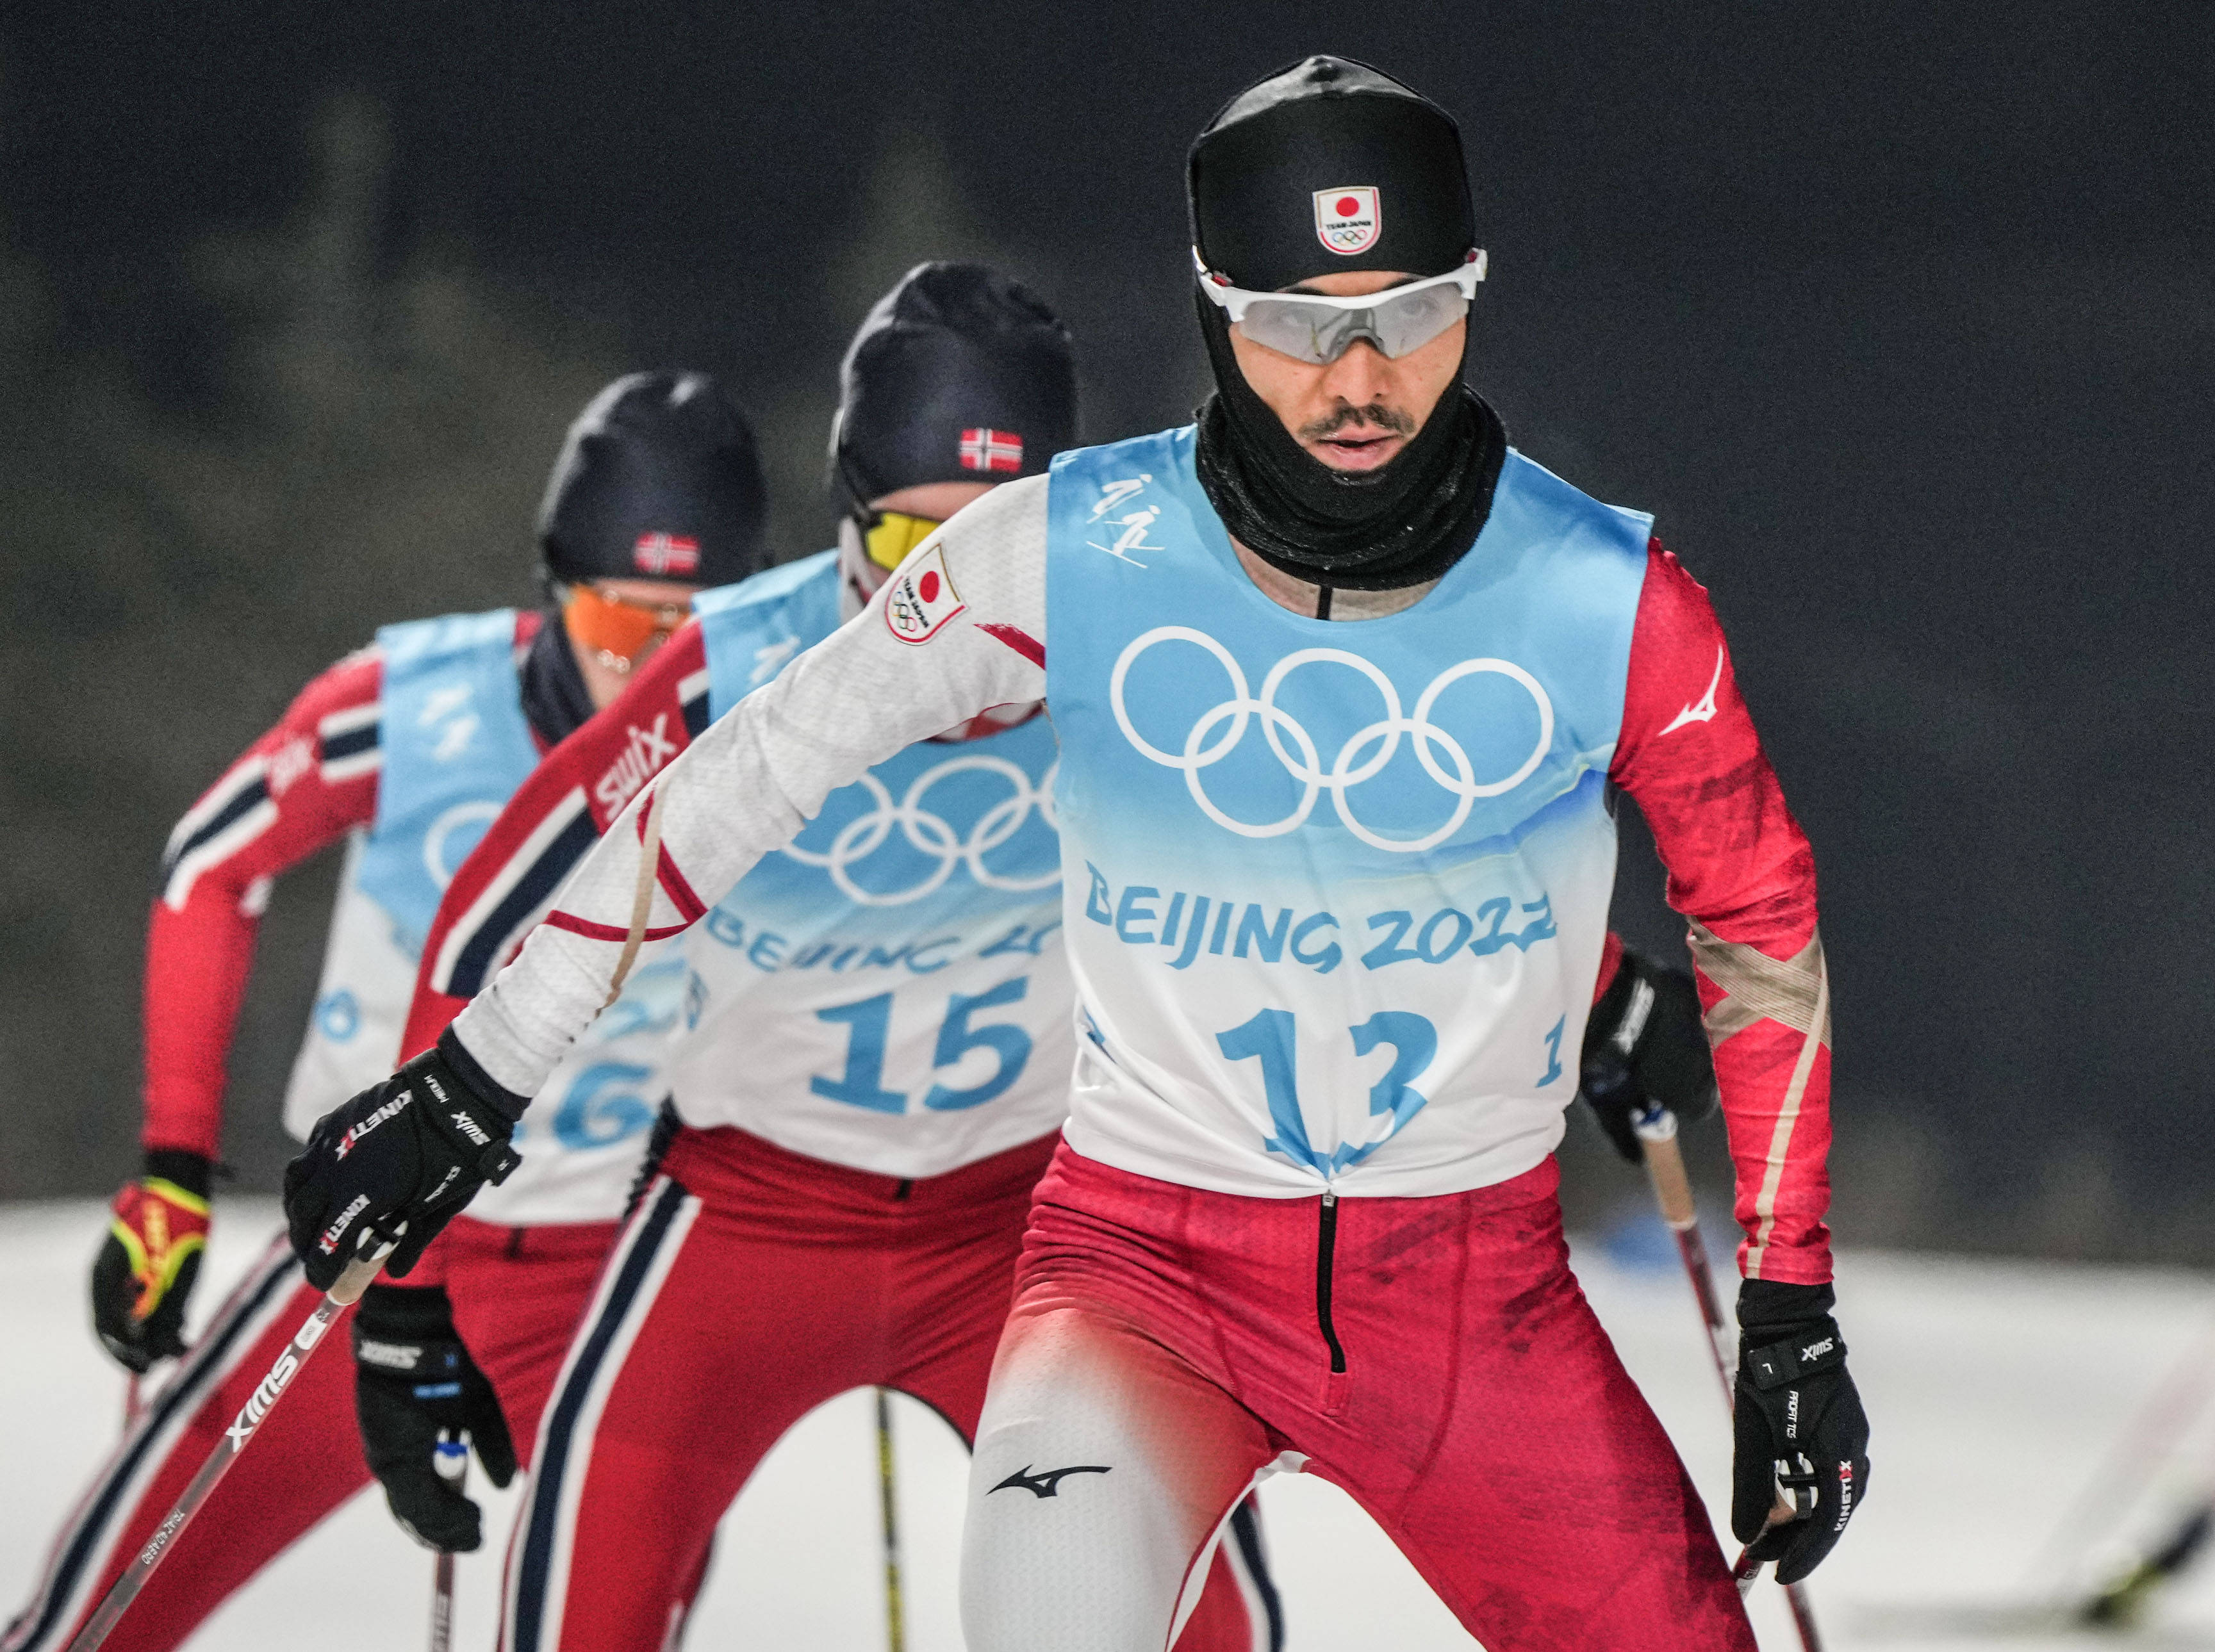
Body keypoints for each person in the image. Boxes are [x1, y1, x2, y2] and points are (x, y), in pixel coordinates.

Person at [284, 56, 1870, 1651]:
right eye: (1298, 324)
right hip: (1141, 1278)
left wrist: (1791, 1305)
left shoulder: (1614, 596)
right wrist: (476, 1074)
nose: (1361, 376)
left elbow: (1756, 914)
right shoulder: (1058, 550)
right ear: (1211, 304)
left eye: (1412, 309)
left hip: (1473, 1299)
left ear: (1473, 292)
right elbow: (738, 781)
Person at [400, 261, 1278, 1651]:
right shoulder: (732, 665)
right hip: (745, 1223)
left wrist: (1598, 1001)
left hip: (1026, 1229)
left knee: (1200, 1620)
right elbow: (479, 924)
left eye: (1002, 552)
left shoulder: (1156, 648)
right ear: (844, 522)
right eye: (904, 555)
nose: (956, 620)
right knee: (572, 1605)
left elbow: (1355, 843)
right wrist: (406, 1291)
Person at [4, 373, 766, 1652]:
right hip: (359, 1249)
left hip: (601, 1274)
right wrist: (175, 1164)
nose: (641, 665)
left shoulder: (769, 732)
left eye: (686, 629)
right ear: (554, 584)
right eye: (613, 620)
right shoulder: (413, 701)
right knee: (97, 1613)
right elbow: (211, 863)